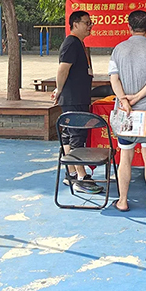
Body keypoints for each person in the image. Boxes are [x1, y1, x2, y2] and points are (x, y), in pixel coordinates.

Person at [108, 10, 146, 213]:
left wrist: (124, 100)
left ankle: (122, 200)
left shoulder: (118, 49)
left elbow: (114, 78)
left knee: (125, 156)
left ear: (129, 26)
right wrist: (139, 96)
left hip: (125, 112)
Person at [52, 10, 103, 194]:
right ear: (75, 24)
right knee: (77, 136)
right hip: (73, 98)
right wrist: (59, 89)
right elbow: (62, 69)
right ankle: (81, 177)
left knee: (69, 135)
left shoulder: (79, 43)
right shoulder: (71, 43)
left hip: (77, 97)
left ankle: (71, 173)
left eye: (91, 23)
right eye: (86, 23)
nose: (90, 26)